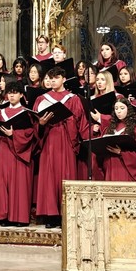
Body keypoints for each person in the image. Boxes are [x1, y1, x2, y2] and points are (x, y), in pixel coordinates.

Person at [33, 65, 88, 227]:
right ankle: (51, 216)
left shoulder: (73, 99)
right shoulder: (42, 99)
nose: (53, 81)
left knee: (65, 174)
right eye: (50, 78)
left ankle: (67, 213)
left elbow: (80, 121)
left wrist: (68, 120)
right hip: (49, 140)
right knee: (49, 176)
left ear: (64, 79)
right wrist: (41, 123)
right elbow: (35, 122)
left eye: (56, 78)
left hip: (66, 140)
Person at [0, 81, 36, 226]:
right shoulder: (1, 112)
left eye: (15, 93)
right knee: (2, 182)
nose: (12, 95)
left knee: (18, 184)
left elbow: (31, 133)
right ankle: (3, 216)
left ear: (21, 95)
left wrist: (13, 134)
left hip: (19, 152)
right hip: (3, 149)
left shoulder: (27, 113)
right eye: (9, 93)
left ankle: (19, 217)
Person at [99, 98, 136, 182]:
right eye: (116, 108)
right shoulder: (109, 128)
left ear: (128, 109)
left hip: (125, 167)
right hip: (110, 165)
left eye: (122, 108)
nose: (118, 111)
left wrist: (121, 153)